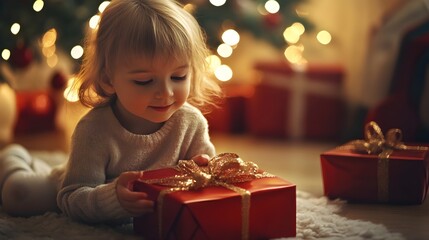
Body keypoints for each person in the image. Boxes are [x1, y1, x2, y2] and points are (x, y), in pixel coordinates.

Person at [0, 0, 222, 224]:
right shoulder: (94, 129)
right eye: (144, 81)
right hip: (73, 184)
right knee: (18, 195)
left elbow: (209, 177)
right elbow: (71, 197)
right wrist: (113, 199)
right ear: (108, 79)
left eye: (178, 77)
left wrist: (207, 171)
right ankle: (13, 156)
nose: (165, 93)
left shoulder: (191, 122)